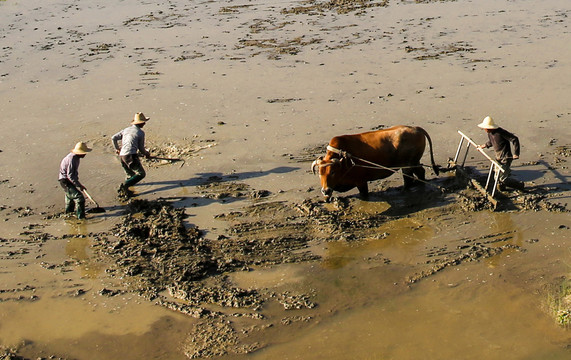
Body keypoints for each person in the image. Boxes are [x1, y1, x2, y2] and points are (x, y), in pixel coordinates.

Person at [112, 112, 151, 197]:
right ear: (141, 123)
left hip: (122, 156)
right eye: (143, 122)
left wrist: (117, 149)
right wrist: (146, 154)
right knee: (141, 174)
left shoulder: (126, 130)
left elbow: (113, 138)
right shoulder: (140, 133)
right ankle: (125, 186)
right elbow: (141, 149)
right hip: (130, 156)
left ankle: (127, 191)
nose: (144, 124)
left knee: (130, 175)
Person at [476, 116, 520, 189]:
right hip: (498, 157)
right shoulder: (490, 133)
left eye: (485, 128)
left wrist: (516, 153)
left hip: (505, 157)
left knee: (502, 179)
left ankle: (519, 185)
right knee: (496, 176)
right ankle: (501, 188)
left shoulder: (501, 132)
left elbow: (514, 139)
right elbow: (492, 142)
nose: (484, 129)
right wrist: (483, 146)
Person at [58, 142, 92, 219]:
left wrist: (77, 183)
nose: (85, 154)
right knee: (80, 198)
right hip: (65, 181)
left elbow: (73, 174)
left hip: (67, 180)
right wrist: (79, 185)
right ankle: (81, 217)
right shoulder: (72, 159)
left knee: (70, 197)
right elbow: (70, 175)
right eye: (84, 153)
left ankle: (69, 214)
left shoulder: (76, 158)